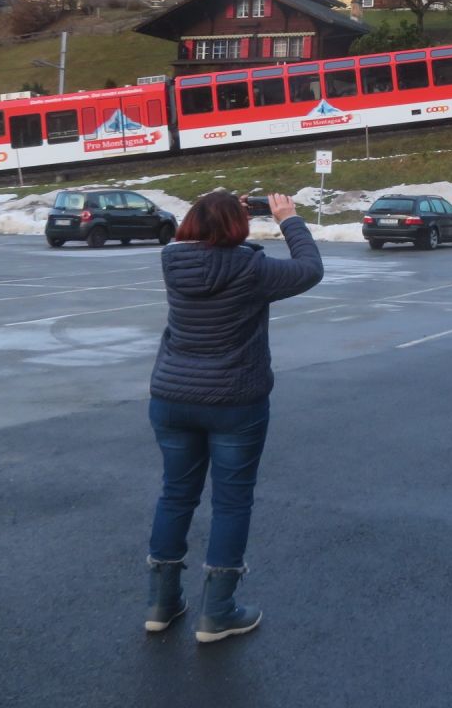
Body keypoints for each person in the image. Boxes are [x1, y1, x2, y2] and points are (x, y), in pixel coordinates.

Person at [143, 190, 323, 643]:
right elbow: (310, 269)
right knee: (231, 502)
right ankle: (217, 612)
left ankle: (162, 604)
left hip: (172, 396)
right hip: (234, 401)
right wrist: (288, 218)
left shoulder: (172, 261)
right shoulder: (251, 269)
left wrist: (219, 208)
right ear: (236, 226)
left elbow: (205, 244)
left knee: (175, 496)